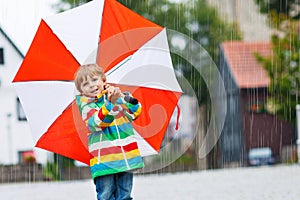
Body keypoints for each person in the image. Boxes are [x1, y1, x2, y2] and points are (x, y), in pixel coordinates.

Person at [74, 63, 144, 200]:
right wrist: (110, 104)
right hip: (104, 161)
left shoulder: (117, 97)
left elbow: (135, 112)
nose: (92, 85)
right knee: (105, 195)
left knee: (125, 195)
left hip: (125, 158)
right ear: (82, 91)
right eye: (86, 84)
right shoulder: (87, 107)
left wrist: (121, 98)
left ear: (104, 80)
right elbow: (98, 123)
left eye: (94, 80)